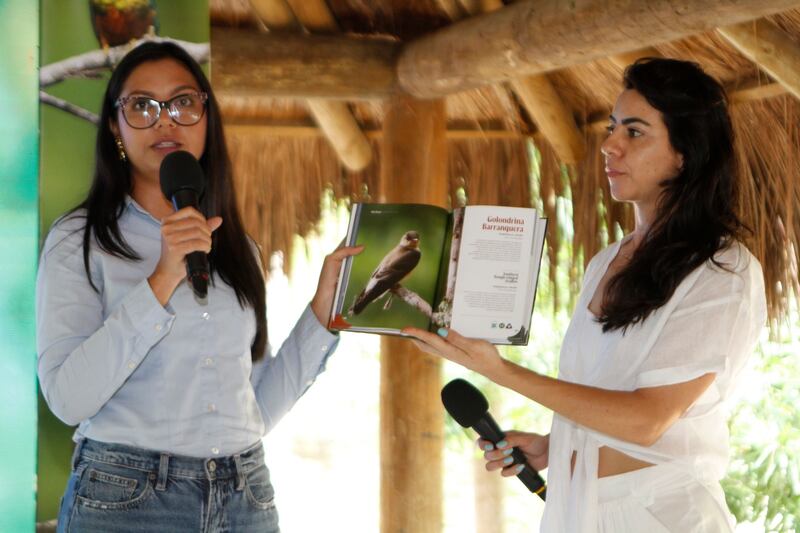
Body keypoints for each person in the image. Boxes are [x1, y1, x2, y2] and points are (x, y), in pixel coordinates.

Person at [403, 57, 767, 532]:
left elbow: (647, 421)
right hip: (573, 513)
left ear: (685, 153)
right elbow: (606, 391)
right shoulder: (605, 263)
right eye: (613, 127)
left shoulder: (723, 272)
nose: (610, 145)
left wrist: (500, 371)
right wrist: (555, 445)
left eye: (634, 133)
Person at [36, 41, 360, 533]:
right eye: (142, 106)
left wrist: (323, 309)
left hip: (244, 495)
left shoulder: (237, 247)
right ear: (115, 128)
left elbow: (255, 408)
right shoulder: (79, 241)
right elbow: (67, 400)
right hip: (126, 500)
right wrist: (163, 276)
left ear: (207, 118)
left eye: (184, 102)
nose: (166, 120)